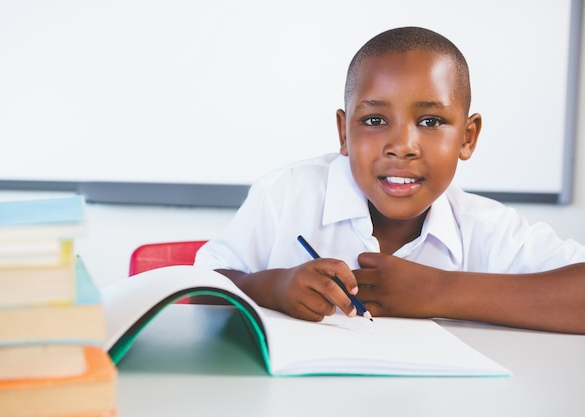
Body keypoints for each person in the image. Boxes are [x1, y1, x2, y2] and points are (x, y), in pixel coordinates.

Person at [194, 26, 585, 334]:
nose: (401, 146)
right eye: (375, 120)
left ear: (467, 138)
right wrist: (270, 288)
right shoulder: (286, 195)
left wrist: (439, 292)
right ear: (344, 133)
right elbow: (197, 288)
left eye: (430, 122)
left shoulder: (487, 228)